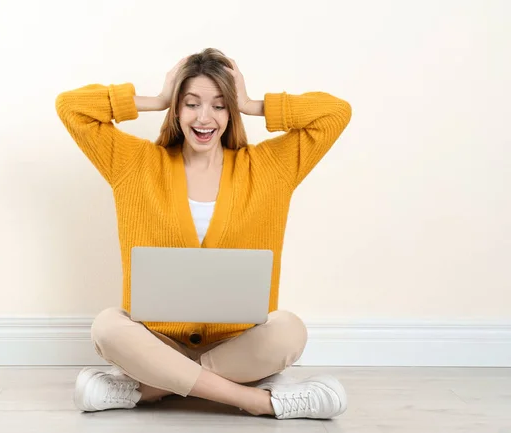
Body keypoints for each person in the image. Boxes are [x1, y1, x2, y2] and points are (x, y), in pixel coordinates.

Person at [55, 48, 352, 420]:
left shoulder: (269, 169)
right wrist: (157, 98)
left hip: (237, 343)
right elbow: (71, 107)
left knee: (289, 330)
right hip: (157, 341)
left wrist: (252, 103)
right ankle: (260, 401)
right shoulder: (135, 165)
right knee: (108, 326)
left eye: (219, 105)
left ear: (230, 112)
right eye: (191, 104)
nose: (204, 118)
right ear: (177, 111)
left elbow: (335, 114)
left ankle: (145, 390)